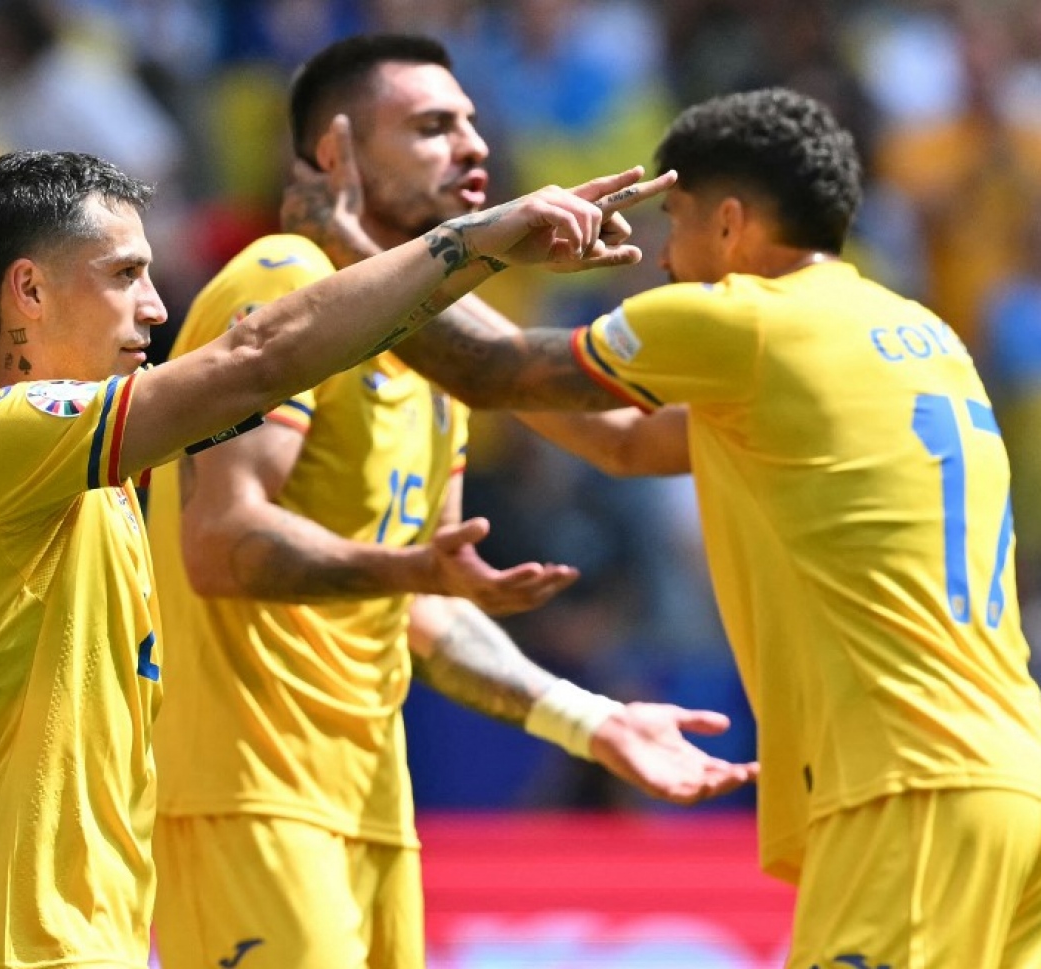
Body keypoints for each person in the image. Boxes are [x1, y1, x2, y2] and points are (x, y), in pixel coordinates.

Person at [0, 147, 666, 967]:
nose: (156, 306)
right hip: (16, 945)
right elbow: (256, 360)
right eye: (124, 275)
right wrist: (474, 242)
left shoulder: (78, 481)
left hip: (83, 938)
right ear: (30, 291)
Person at [314, 86, 1041, 968]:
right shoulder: (915, 330)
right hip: (1013, 774)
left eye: (676, 222)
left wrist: (360, 249)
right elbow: (625, 441)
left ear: (729, 222)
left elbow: (488, 370)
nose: (661, 256)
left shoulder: (747, 321)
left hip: (912, 783)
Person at [146, 34, 758, 969]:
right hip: (250, 795)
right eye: (432, 127)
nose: (473, 144)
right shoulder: (283, 282)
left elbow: (424, 602)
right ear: (337, 155)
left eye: (471, 121)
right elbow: (220, 541)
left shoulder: (430, 344)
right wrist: (406, 571)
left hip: (372, 805)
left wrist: (588, 718)